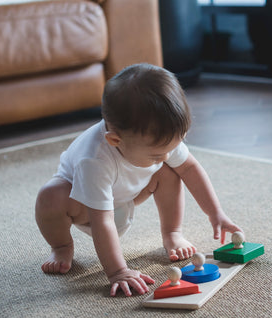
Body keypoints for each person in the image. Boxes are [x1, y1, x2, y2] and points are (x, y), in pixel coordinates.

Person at [35, 63, 242, 297]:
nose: (164, 156)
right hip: (83, 207)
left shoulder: (158, 139)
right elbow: (102, 220)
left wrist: (215, 212)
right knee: (50, 196)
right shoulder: (93, 159)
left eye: (174, 145)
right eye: (156, 154)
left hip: (126, 195)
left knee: (170, 170)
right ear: (115, 140)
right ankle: (61, 246)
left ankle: (172, 232)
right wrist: (118, 271)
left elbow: (190, 169)